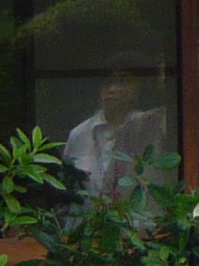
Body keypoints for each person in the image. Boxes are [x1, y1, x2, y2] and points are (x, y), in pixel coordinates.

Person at [64, 62, 168, 200]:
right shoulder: (80, 134)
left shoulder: (155, 128)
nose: (112, 89)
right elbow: (67, 193)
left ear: (139, 86)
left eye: (123, 81)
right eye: (107, 82)